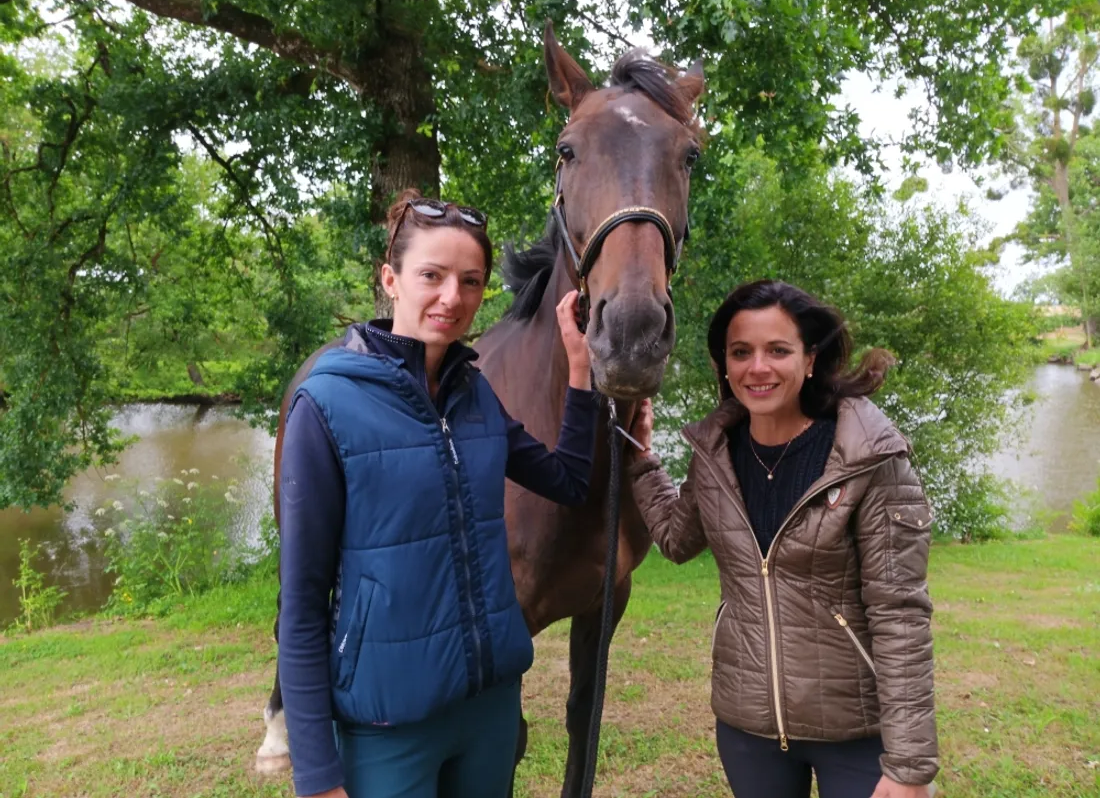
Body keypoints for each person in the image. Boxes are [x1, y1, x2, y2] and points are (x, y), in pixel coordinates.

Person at [277, 190, 597, 798]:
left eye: (471, 282)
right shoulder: (325, 404)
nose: (453, 298)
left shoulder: (474, 395)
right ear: (391, 279)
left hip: (489, 711)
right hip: (388, 725)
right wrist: (316, 774)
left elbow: (569, 482)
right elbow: (301, 605)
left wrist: (579, 376)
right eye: (432, 275)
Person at [627, 280, 938, 798]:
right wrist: (641, 459)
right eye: (741, 352)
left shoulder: (867, 458)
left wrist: (909, 765)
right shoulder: (716, 456)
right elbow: (676, 539)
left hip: (855, 731)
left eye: (778, 350)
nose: (758, 368)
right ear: (723, 365)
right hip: (748, 727)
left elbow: (900, 613)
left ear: (810, 359)